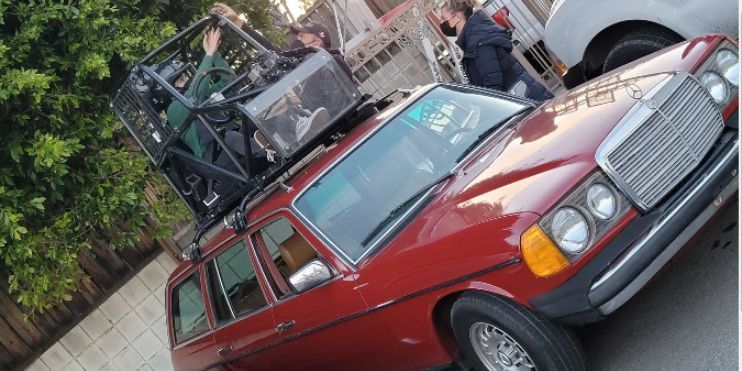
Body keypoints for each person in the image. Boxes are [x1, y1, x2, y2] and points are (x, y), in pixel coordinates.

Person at [439, 0, 553, 101]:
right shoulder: (474, 37)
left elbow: (493, 83)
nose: (442, 23)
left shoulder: (478, 40)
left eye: (443, 18)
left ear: (457, 16)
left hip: (527, 100)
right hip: (525, 98)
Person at [212, 3, 352, 78]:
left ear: (317, 41)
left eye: (303, 35)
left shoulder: (335, 62)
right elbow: (272, 51)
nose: (298, 37)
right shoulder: (298, 63)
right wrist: (238, 21)